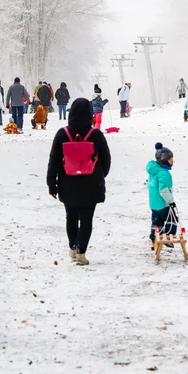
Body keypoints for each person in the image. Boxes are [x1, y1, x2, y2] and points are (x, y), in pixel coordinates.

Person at [46, 98, 112, 266]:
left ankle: (73, 247)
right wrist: (99, 175)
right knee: (87, 219)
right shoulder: (95, 134)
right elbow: (106, 158)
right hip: (91, 184)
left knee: (71, 217)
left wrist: (52, 184)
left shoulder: (62, 134)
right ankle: (82, 252)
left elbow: (53, 160)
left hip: (68, 183)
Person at [147, 143, 178, 243]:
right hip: (163, 204)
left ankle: (154, 239)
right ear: (165, 160)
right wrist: (171, 201)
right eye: (171, 159)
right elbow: (163, 190)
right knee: (172, 219)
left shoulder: (153, 172)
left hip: (154, 204)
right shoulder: (164, 174)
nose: (172, 161)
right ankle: (169, 237)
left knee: (157, 222)